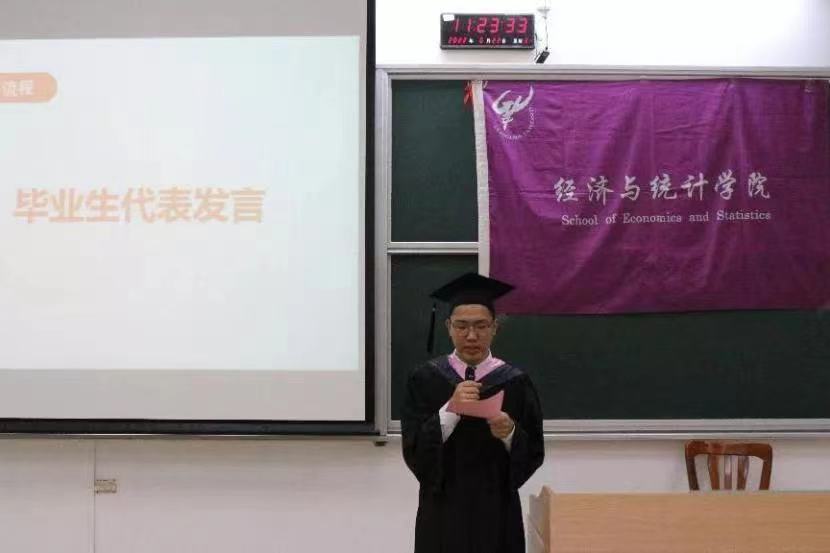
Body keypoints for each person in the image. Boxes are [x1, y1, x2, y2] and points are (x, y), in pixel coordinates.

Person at [401, 272, 545, 553]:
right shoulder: (425, 379)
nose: (471, 335)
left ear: (495, 327)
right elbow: (413, 449)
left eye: (481, 325)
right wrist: (450, 410)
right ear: (448, 327)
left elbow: (534, 452)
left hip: (497, 510)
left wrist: (510, 433)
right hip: (442, 509)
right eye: (462, 326)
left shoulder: (516, 382)